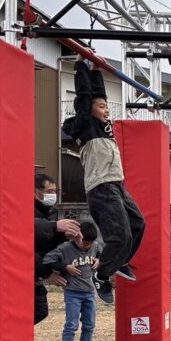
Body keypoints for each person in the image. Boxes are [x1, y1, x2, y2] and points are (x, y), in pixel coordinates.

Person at [64, 58, 145, 305]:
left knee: (138, 224)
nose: (107, 110)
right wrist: (80, 66)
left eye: (106, 107)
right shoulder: (85, 125)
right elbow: (85, 97)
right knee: (120, 237)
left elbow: (98, 94)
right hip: (101, 188)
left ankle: (120, 262)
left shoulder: (104, 126)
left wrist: (96, 70)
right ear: (89, 110)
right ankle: (102, 274)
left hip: (117, 185)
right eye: (101, 107)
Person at [43, 221, 101, 341]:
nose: (88, 246)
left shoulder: (94, 246)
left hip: (89, 292)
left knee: (90, 323)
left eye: (90, 243)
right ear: (76, 237)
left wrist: (99, 260)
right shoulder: (64, 248)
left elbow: (101, 253)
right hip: (73, 293)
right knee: (71, 325)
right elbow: (47, 259)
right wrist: (65, 267)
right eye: (85, 243)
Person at [33, 173, 80, 326]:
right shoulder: (25, 209)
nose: (53, 195)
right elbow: (29, 237)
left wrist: (64, 236)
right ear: (35, 192)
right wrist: (47, 272)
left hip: (37, 270)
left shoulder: (51, 211)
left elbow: (47, 244)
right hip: (28, 270)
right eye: (49, 191)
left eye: (55, 191)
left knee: (40, 310)